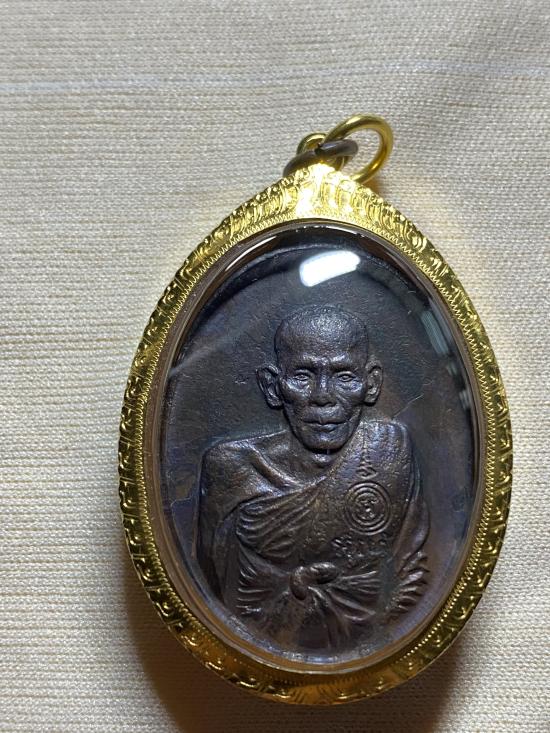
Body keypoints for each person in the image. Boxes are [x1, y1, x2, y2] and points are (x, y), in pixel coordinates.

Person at [175, 305, 429, 653]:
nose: (323, 397)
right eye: (303, 376)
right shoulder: (233, 468)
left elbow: (413, 574)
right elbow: (209, 590)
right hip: (253, 649)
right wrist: (293, 593)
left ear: (370, 385)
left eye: (344, 376)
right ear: (272, 386)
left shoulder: (387, 451)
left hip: (373, 650)